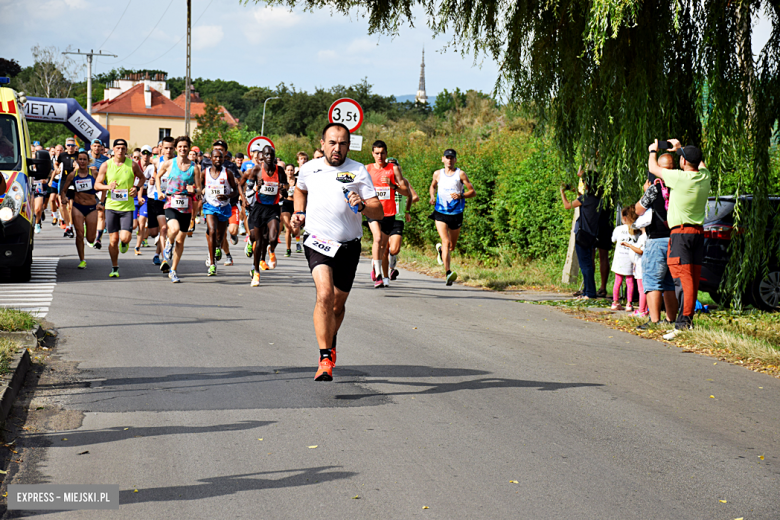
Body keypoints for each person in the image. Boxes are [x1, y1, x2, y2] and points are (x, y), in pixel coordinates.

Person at [291, 123, 383, 381]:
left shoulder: (357, 170)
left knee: (337, 305)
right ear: (322, 144)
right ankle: (324, 358)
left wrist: (363, 205)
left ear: (348, 146)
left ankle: (330, 341)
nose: (337, 148)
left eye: (343, 143)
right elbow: (300, 189)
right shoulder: (309, 168)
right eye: (332, 143)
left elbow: (379, 210)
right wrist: (299, 213)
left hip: (348, 246)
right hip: (318, 241)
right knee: (324, 295)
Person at [647, 139, 711, 340]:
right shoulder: (704, 177)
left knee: (683, 279)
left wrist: (652, 150)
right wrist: (682, 148)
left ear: (683, 162)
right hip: (698, 234)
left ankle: (683, 323)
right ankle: (686, 320)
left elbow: (653, 167)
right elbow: (700, 163)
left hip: (680, 235)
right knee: (691, 276)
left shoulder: (679, 178)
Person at [634, 154, 679, 329]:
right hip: (675, 239)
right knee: (669, 281)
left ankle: (654, 321)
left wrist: (646, 191)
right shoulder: (679, 186)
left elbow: (638, 209)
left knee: (653, 280)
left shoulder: (654, 188)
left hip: (656, 240)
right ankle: (671, 319)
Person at [94, 139, 147, 278]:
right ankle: (114, 267)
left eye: (123, 148)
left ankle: (125, 243)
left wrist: (136, 188)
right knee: (113, 240)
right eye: (117, 148)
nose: (120, 150)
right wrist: (108, 187)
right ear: (113, 149)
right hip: (111, 207)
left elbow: (142, 178)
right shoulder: (106, 165)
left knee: (124, 238)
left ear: (126, 150)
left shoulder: (132, 164)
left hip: (127, 208)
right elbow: (97, 185)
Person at [156, 135, 203, 283]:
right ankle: (168, 246)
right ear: (176, 149)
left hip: (186, 205)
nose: (183, 149)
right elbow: (157, 177)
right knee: (174, 229)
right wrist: (159, 191)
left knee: (181, 241)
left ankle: (173, 270)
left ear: (189, 148)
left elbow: (200, 189)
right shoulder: (169, 164)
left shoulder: (195, 168)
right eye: (180, 147)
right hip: (171, 202)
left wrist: (194, 189)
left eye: (185, 146)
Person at [429, 149, 476, 286]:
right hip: (440, 212)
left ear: (455, 160)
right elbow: (432, 186)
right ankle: (448, 273)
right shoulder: (437, 174)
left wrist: (461, 195)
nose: (449, 160)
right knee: (446, 241)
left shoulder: (460, 174)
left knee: (451, 247)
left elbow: (472, 192)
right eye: (447, 157)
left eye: (452, 158)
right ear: (442, 159)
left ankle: (440, 251)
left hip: (456, 213)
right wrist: (432, 196)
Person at [240, 145, 287, 285]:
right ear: (263, 156)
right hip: (259, 208)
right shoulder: (257, 169)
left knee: (273, 238)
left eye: (271, 155)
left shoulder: (280, 170)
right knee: (258, 242)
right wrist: (256, 188)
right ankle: (256, 272)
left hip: (273, 208)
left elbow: (285, 187)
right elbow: (248, 191)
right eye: (266, 155)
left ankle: (271, 250)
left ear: (274, 156)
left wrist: (283, 191)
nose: (269, 157)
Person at [366, 140, 409, 287]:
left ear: (386, 153)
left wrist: (392, 185)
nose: (380, 156)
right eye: (377, 153)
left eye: (382, 153)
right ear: (372, 154)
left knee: (384, 246)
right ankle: (378, 274)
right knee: (377, 238)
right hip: (372, 210)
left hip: (389, 213)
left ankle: (376, 265)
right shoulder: (367, 169)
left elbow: (406, 191)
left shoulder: (393, 169)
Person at [560, 170, 603, 299]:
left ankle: (589, 293)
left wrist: (562, 192)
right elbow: (581, 197)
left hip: (583, 234)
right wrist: (573, 190)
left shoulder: (585, 198)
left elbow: (568, 205)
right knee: (588, 263)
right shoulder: (598, 197)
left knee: (585, 265)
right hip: (592, 235)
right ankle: (587, 291)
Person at [59, 151, 100, 269]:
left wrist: (101, 202)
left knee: (91, 239)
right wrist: (63, 198)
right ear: (76, 161)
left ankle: (89, 228)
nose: (82, 162)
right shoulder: (73, 175)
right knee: (79, 234)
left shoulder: (94, 173)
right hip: (78, 206)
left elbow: (102, 188)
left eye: (84, 159)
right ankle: (82, 259)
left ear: (88, 161)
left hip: (92, 207)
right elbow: (64, 190)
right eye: (80, 159)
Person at [202, 148, 238, 276]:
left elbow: (236, 191)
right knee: (211, 230)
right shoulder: (205, 173)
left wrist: (227, 196)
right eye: (215, 157)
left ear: (223, 159)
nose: (218, 159)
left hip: (224, 207)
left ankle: (217, 247)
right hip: (210, 206)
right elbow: (199, 186)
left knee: (219, 237)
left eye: (220, 157)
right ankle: (212, 264)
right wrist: (199, 192)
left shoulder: (228, 173)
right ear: (211, 158)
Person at [385, 157, 419, 280]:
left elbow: (414, 197)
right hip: (384, 216)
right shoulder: (381, 180)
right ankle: (385, 269)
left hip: (398, 217)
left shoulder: (404, 182)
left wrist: (406, 209)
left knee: (394, 249)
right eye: (390, 166)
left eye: (395, 166)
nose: (393, 169)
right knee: (383, 246)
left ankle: (389, 266)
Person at [150, 137, 176, 271]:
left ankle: (161, 251)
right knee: (164, 229)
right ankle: (165, 258)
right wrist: (153, 179)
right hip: (159, 198)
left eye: (171, 148)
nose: (168, 150)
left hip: (174, 199)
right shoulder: (156, 160)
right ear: (161, 148)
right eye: (166, 148)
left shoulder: (178, 162)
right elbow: (155, 171)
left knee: (172, 230)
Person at [610, 206, 640, 311]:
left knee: (617, 281)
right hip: (631, 260)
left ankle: (615, 302)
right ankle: (629, 303)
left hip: (619, 259)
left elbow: (613, 239)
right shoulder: (637, 231)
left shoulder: (619, 229)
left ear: (625, 218)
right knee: (630, 281)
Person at [623, 222, 649, 317]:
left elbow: (640, 251)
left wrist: (629, 245)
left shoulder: (643, 237)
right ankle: (645, 309)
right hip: (641, 265)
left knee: (641, 289)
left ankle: (641, 310)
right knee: (644, 289)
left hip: (641, 266)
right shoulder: (646, 236)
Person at [134, 145, 156, 255]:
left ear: (151, 155)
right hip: (133, 197)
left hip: (146, 197)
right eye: (144, 153)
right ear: (141, 154)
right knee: (133, 225)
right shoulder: (134, 166)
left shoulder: (153, 167)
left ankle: (137, 247)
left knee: (142, 223)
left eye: (148, 153)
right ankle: (126, 239)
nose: (146, 155)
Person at [56, 137, 80, 237]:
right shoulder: (62, 155)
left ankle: (71, 225)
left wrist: (78, 167)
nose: (71, 147)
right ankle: (67, 225)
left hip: (74, 181)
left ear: (75, 146)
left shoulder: (78, 156)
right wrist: (57, 169)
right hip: (64, 181)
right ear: (66, 146)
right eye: (69, 145)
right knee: (62, 205)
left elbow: (84, 166)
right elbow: (56, 163)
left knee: (71, 206)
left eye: (73, 145)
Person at [89, 140, 110, 248]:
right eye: (95, 146)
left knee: (101, 214)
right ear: (91, 146)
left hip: (101, 190)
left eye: (98, 146)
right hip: (87, 191)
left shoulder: (106, 160)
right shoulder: (85, 158)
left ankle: (98, 239)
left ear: (101, 148)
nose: (96, 148)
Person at [280, 163, 300, 257]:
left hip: (295, 204)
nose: (290, 172)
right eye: (288, 170)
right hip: (285, 204)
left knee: (295, 229)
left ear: (294, 171)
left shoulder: (298, 181)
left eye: (291, 170)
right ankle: (288, 249)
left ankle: (297, 239)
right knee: (287, 227)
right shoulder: (283, 182)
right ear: (285, 171)